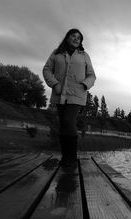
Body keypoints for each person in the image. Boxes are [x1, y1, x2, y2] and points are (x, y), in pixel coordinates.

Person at [43, 28, 96, 167]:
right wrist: (54, 84)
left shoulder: (84, 55)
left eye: (79, 37)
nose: (76, 39)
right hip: (60, 94)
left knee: (68, 120)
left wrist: (85, 85)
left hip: (77, 94)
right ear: (67, 37)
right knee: (63, 124)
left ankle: (71, 159)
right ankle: (65, 157)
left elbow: (92, 75)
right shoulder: (57, 53)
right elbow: (46, 69)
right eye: (73, 36)